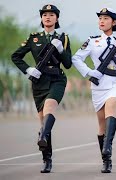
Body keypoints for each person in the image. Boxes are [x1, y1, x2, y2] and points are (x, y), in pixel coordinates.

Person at [72, 7, 116, 173]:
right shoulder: (92, 41)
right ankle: (106, 160)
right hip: (99, 84)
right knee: (101, 125)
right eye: (100, 18)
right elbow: (76, 58)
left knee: (112, 107)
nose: (102, 20)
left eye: (106, 18)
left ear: (114, 22)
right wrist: (89, 72)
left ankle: (107, 149)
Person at [11, 4, 71, 173]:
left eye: (51, 14)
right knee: (43, 121)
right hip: (39, 82)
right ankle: (47, 159)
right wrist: (29, 69)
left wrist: (60, 49)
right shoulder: (34, 38)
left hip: (57, 79)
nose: (48, 17)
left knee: (49, 108)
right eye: (45, 14)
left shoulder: (63, 38)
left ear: (56, 18)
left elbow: (68, 64)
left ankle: (42, 135)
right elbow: (15, 56)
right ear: (42, 18)